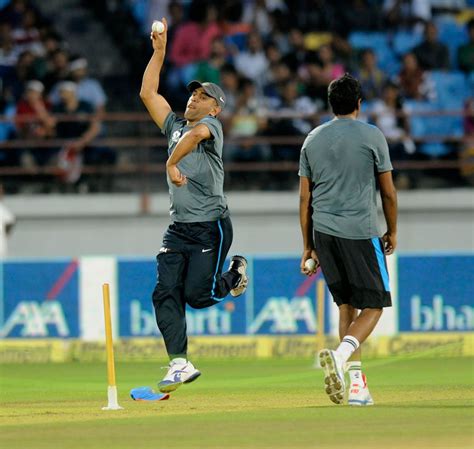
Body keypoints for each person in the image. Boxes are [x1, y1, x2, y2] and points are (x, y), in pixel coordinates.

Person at [139, 18, 248, 394]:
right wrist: (159, 53)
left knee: (197, 296)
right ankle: (179, 363)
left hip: (211, 225)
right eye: (192, 94)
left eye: (203, 97)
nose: (193, 99)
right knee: (164, 291)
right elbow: (148, 95)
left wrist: (171, 163)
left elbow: (197, 134)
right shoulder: (174, 126)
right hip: (180, 227)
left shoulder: (210, 128)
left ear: (215, 108)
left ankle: (234, 275)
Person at [298, 74, 397, 406]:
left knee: (346, 305)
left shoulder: (312, 139)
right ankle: (341, 357)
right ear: (359, 103)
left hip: (324, 233)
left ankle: (357, 386)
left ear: (330, 104)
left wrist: (308, 247)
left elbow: (304, 200)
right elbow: (388, 192)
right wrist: (392, 231)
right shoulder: (372, 135)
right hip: (359, 230)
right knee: (375, 305)